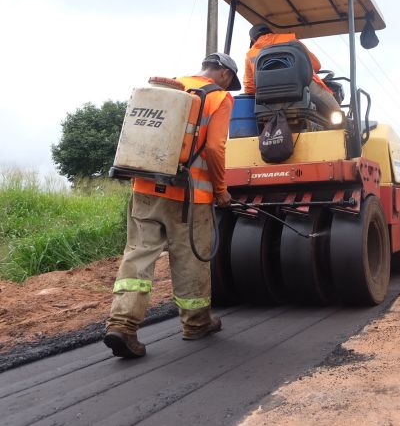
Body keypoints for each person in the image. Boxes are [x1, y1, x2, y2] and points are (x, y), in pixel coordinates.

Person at [104, 53, 239, 359]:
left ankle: (122, 324)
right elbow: (216, 148)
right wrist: (221, 190)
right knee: (190, 259)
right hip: (188, 197)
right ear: (225, 75)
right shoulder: (219, 98)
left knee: (137, 256)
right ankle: (196, 324)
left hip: (144, 189)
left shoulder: (170, 89)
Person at [243, 24, 339, 117]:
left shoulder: (250, 55)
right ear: (270, 32)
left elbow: (250, 88)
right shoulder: (290, 40)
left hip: (268, 98)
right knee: (337, 112)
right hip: (302, 87)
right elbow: (316, 65)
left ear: (253, 40)